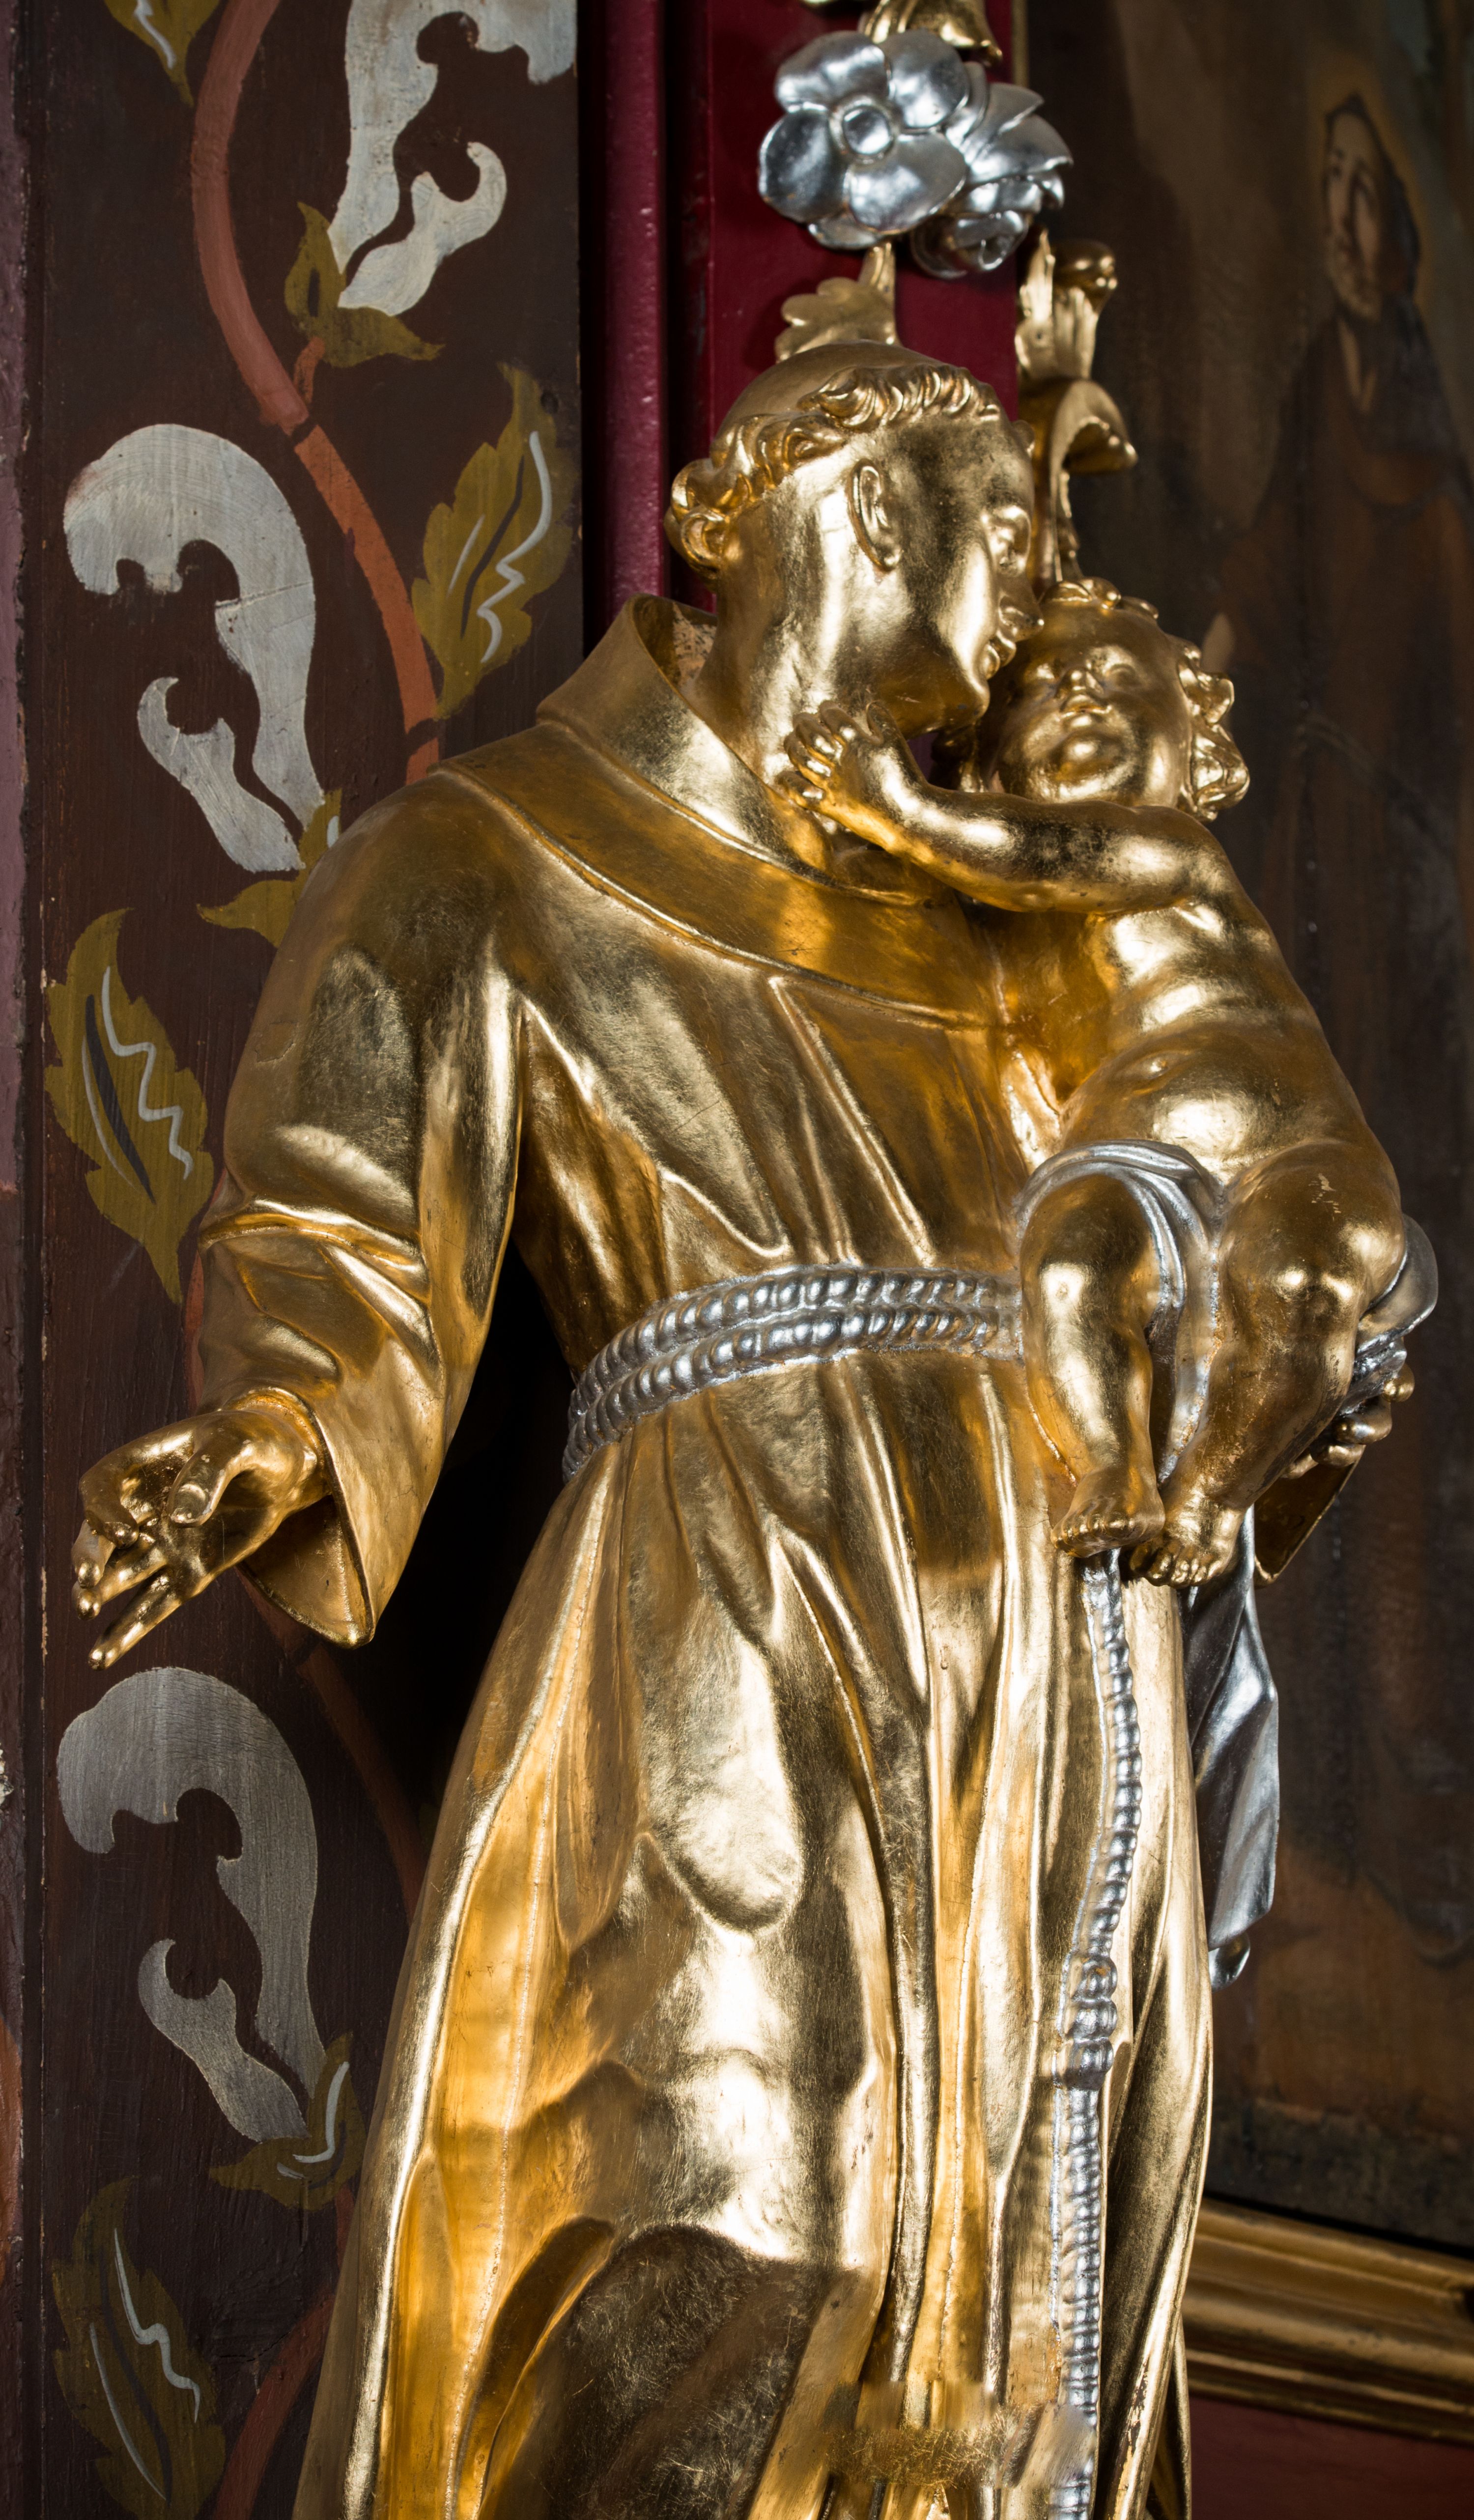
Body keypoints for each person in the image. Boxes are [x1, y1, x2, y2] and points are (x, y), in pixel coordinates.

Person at [66, 342, 1375, 2519]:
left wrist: (1294, 1341)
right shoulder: (504, 844)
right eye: (996, 516)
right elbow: (346, 1216)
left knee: (1010, 2341)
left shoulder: (1029, 922)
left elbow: (1232, 1186)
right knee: (730, 2207)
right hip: (738, 1607)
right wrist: (277, 1430)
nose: (1032, 579)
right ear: (826, 504)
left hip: (1050, 1642)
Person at [784, 575, 1405, 1588]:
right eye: (1041, 686)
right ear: (985, 757)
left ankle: (1210, 1498)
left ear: (1194, 746)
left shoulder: (1168, 848)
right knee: (1073, 1268)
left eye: (1120, 678)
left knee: (1298, 1286)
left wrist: (897, 806)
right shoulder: (985, 942)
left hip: (1300, 1152)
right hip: (1126, 1157)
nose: (1080, 693)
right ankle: (1111, 1466)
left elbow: (1045, 853)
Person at [1204, 93, 1474, 1956]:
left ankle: (1412, 1765)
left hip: (1407, 910)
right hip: (1314, 872)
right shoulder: (1316, 397)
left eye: (1371, 195)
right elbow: (1258, 587)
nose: (1347, 221)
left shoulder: (1435, 463)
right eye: (1330, 192)